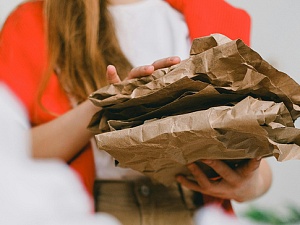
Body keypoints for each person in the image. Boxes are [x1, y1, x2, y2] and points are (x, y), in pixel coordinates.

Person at [0, 0, 272, 224]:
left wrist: (248, 185)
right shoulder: (34, 21)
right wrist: (103, 105)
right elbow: (10, 156)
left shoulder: (219, 16)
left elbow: (256, 155)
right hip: (91, 213)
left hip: (195, 209)